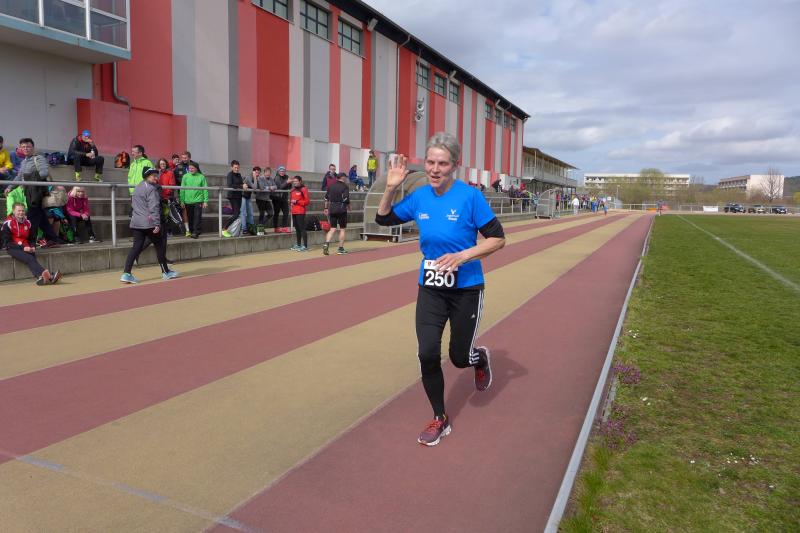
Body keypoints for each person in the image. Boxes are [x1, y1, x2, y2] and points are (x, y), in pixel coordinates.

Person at [375, 132, 506, 447]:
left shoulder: (470, 197)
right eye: (430, 162)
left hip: (466, 288)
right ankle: (439, 417)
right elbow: (383, 220)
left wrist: (463, 256)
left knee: (459, 357)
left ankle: (479, 358)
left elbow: (498, 238)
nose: (435, 169)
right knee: (427, 353)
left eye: (442, 164)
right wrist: (390, 187)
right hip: (431, 288)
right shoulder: (420, 196)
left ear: (454, 165)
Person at [121, 168, 178, 283]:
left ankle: (126, 273)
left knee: (136, 247)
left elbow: (134, 205)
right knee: (159, 246)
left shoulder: (137, 187)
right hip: (149, 223)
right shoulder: (152, 189)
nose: (156, 178)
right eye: (153, 176)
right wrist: (157, 223)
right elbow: (154, 207)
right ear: (147, 176)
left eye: (156, 175)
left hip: (136, 222)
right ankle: (166, 272)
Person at [3, 138, 60, 247]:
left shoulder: (39, 158)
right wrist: (10, 187)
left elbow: (44, 173)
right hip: (28, 191)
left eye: (28, 146)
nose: (26, 149)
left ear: (33, 148)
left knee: (32, 217)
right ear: (20, 148)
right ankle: (52, 239)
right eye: (23, 147)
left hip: (37, 191)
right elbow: (19, 177)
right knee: (41, 217)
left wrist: (30, 177)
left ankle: (30, 242)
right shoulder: (24, 161)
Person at [2, 202, 61, 285]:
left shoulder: (28, 223)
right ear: (14, 211)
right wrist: (23, 248)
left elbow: (32, 238)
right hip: (13, 248)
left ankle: (41, 277)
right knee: (30, 259)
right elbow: (7, 243)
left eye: (23, 211)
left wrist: (33, 246)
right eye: (19, 211)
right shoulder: (7, 223)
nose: (21, 212)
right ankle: (50, 277)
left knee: (32, 258)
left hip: (27, 246)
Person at [322, 172, 350, 255]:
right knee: (342, 229)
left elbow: (326, 198)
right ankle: (340, 248)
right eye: (345, 178)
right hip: (341, 209)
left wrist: (326, 208)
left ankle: (326, 243)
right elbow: (346, 199)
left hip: (332, 208)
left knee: (332, 228)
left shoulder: (331, 186)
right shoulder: (345, 186)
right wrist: (349, 206)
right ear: (343, 178)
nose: (346, 179)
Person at [178, 161, 208, 239]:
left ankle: (195, 232)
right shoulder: (185, 176)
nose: (191, 169)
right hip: (188, 200)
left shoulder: (201, 177)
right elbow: (182, 189)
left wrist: (205, 201)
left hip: (198, 200)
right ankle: (191, 231)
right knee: (190, 217)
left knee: (197, 216)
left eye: (192, 168)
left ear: (196, 168)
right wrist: (182, 200)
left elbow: (205, 189)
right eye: (189, 168)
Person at [222, 160, 244, 237]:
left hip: (239, 196)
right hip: (232, 197)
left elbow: (241, 183)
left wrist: (244, 185)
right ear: (232, 167)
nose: (237, 169)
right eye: (235, 167)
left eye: (238, 168)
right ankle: (224, 228)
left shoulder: (239, 175)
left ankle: (232, 230)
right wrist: (241, 186)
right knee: (236, 214)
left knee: (237, 214)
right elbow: (230, 185)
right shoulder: (230, 175)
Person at [289, 175, 310, 251]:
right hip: (294, 211)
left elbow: (307, 201)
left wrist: (297, 202)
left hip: (300, 212)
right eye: (294, 181)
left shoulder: (303, 189)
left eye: (296, 181)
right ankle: (298, 244)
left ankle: (305, 246)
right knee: (297, 229)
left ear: (300, 181)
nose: (295, 182)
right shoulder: (293, 190)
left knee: (302, 228)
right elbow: (291, 200)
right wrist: (290, 203)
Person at [254, 166, 274, 234]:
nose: (268, 174)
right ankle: (260, 230)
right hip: (260, 199)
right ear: (264, 173)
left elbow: (275, 186)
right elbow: (262, 187)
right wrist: (269, 187)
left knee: (271, 213)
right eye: (267, 172)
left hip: (267, 199)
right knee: (262, 214)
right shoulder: (261, 178)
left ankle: (259, 226)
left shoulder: (271, 179)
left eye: (269, 172)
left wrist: (272, 187)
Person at [271, 166, 291, 231]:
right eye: (281, 171)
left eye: (283, 171)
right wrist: (287, 182)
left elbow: (289, 187)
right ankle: (275, 227)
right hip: (277, 198)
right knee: (276, 213)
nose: (282, 172)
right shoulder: (276, 177)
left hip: (284, 198)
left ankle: (284, 227)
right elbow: (279, 187)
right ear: (278, 171)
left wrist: (289, 183)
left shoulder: (286, 177)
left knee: (286, 212)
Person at [241, 163, 256, 235]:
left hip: (248, 197)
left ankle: (251, 228)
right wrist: (255, 178)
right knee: (243, 212)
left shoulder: (256, 178)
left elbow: (257, 189)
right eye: (256, 173)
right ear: (253, 172)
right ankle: (244, 229)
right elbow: (254, 187)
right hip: (243, 196)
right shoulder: (248, 177)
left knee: (250, 213)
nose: (257, 174)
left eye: (258, 173)